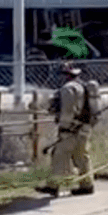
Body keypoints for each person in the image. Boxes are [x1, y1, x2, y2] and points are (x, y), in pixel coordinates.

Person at [37, 63, 95, 197]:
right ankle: (87, 185)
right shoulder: (82, 86)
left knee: (58, 155)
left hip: (71, 130)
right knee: (82, 157)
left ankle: (53, 186)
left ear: (66, 76)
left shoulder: (67, 89)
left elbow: (68, 111)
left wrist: (64, 126)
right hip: (85, 127)